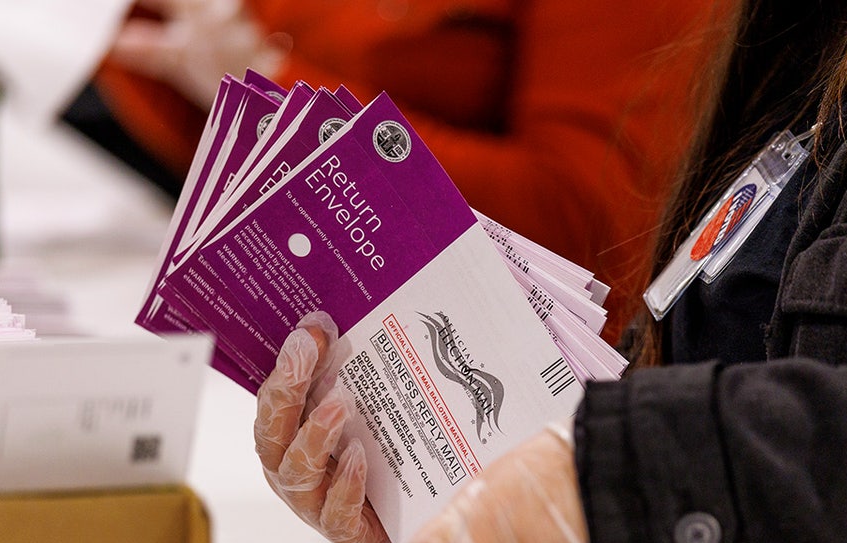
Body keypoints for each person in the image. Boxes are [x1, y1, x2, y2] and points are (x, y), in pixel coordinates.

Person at [253, 0, 847, 543]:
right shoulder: (830, 24)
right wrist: (441, 471)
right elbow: (720, 349)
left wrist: (618, 478)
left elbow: (570, 209)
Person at [92, 0, 727, 344]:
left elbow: (594, 236)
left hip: (518, 391)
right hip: (328, 330)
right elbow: (215, 122)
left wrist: (280, 90)